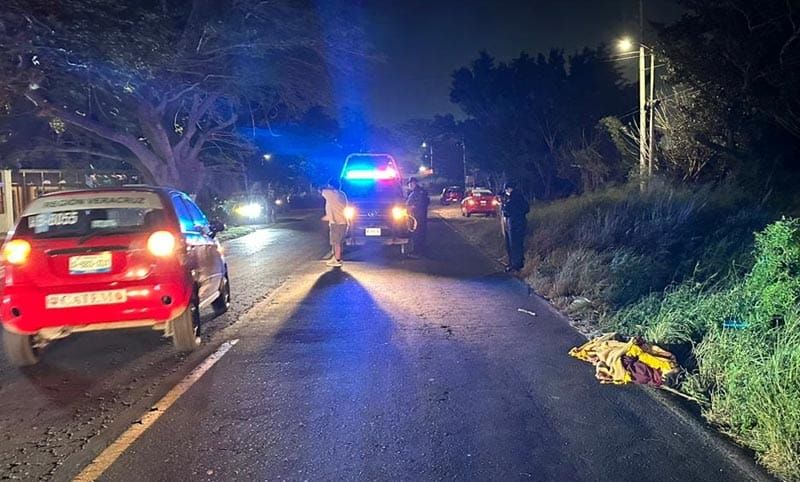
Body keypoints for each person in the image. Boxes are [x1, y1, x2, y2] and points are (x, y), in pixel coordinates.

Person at [501, 181, 529, 272]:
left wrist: (504, 207)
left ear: (509, 188)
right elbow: (527, 208)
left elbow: (507, 211)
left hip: (513, 223)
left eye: (506, 189)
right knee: (519, 244)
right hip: (521, 222)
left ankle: (515, 265)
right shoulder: (521, 197)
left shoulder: (512, 198)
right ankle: (518, 263)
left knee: (513, 245)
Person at [320, 179, 349, 268]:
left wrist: (327, 186)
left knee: (336, 242)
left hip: (337, 222)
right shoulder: (342, 194)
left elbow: (320, 189)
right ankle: (335, 257)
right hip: (342, 221)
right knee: (337, 242)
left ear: (331, 186)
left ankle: (337, 260)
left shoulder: (331, 194)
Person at [406, 177, 429, 255]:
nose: (409, 185)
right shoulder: (417, 192)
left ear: (413, 183)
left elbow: (419, 205)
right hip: (417, 217)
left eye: (410, 184)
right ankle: (418, 250)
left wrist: (411, 208)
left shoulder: (418, 192)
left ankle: (417, 252)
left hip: (418, 217)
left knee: (418, 234)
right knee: (418, 234)